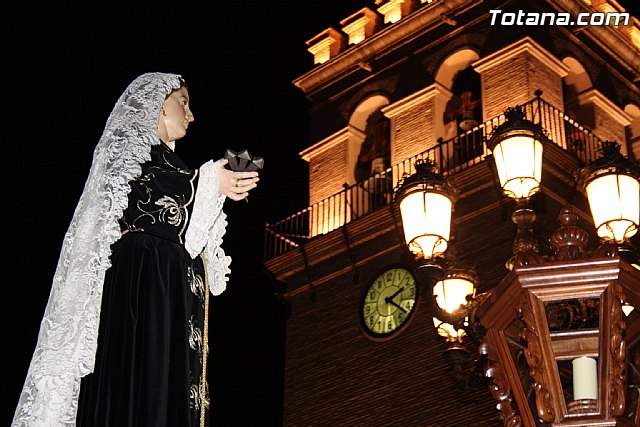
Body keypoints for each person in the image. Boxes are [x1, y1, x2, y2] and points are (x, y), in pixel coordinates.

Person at [12, 72, 260, 427]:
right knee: (143, 386)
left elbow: (186, 220)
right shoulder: (131, 163)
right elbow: (152, 199)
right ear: (159, 106)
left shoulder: (172, 170)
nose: (191, 115)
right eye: (183, 103)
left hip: (166, 296)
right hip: (142, 293)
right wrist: (210, 182)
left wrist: (214, 186)